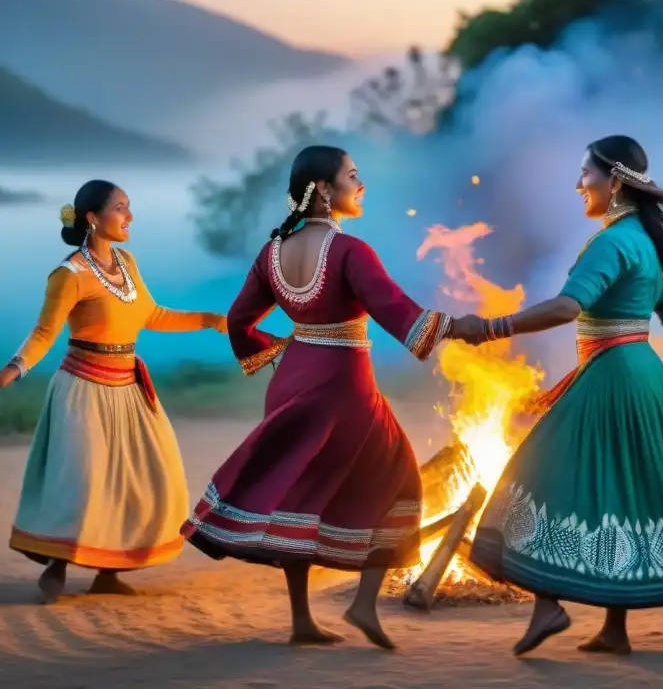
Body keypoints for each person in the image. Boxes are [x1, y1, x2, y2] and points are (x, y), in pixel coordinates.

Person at [181, 145, 479, 648]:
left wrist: (274, 353)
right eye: (353, 177)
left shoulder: (271, 253)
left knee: (301, 488)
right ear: (323, 190)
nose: (361, 186)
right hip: (345, 388)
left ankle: (302, 619)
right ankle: (363, 605)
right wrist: (464, 326)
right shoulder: (349, 252)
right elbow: (398, 312)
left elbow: (237, 321)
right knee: (400, 480)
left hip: (293, 380)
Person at [464, 135, 663, 657]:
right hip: (643, 378)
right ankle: (613, 629)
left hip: (613, 377)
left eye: (585, 173)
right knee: (619, 494)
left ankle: (549, 605)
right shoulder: (650, 243)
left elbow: (566, 308)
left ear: (615, 180)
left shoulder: (613, 242)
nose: (578, 184)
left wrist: (492, 326)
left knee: (540, 474)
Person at [0, 180, 228, 603]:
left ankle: (110, 569)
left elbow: (152, 314)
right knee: (84, 479)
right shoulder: (68, 274)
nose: (129, 216)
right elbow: (44, 333)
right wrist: (12, 370)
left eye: (129, 207)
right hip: (82, 388)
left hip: (127, 386)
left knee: (140, 477)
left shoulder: (127, 262)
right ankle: (57, 563)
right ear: (92, 218)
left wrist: (212, 319)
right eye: (120, 207)